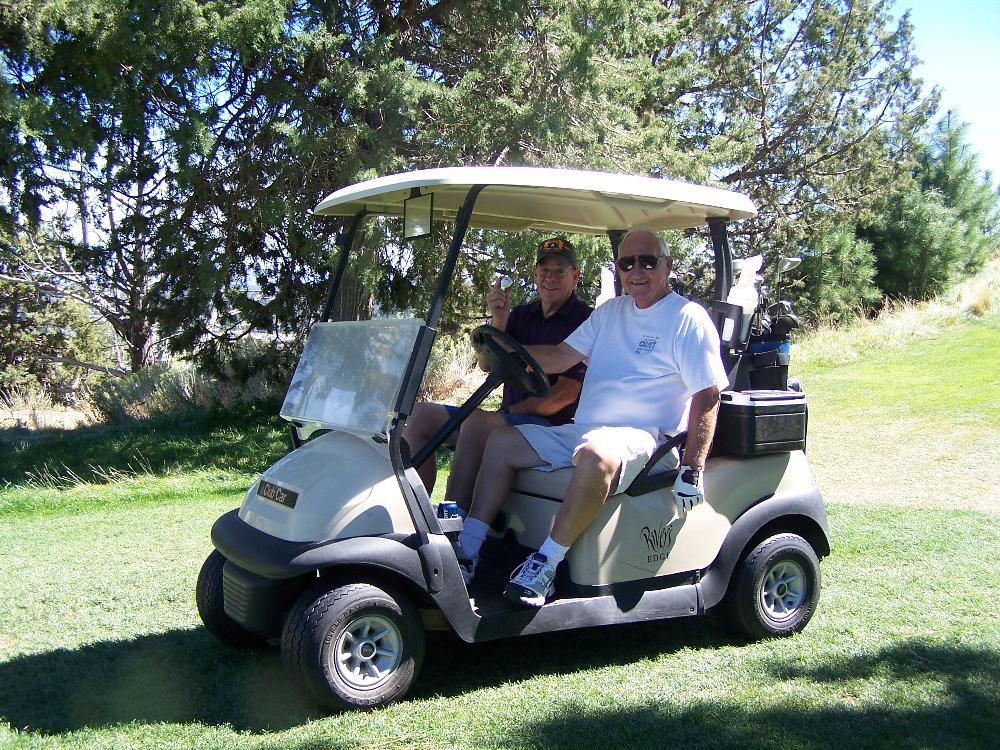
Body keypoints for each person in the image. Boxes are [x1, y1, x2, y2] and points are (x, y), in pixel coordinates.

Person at [455, 228, 729, 607]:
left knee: (597, 452)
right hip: (586, 430)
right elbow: (559, 356)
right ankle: (467, 548)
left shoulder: (687, 318)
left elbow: (708, 394)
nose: (637, 271)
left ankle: (546, 563)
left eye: (648, 261)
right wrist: (501, 345)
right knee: (501, 442)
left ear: (667, 265)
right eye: (627, 262)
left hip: (647, 439)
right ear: (618, 268)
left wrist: (692, 468)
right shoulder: (611, 312)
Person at [402, 237, 592, 512]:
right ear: (535, 274)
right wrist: (499, 318)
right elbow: (487, 365)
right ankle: (413, 515)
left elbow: (563, 396)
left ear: (575, 276)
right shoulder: (522, 315)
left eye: (559, 271)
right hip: (508, 419)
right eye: (544, 270)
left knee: (478, 423)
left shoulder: (584, 321)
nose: (550, 278)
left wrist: (505, 413)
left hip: (551, 429)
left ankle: (453, 525)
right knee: (421, 415)